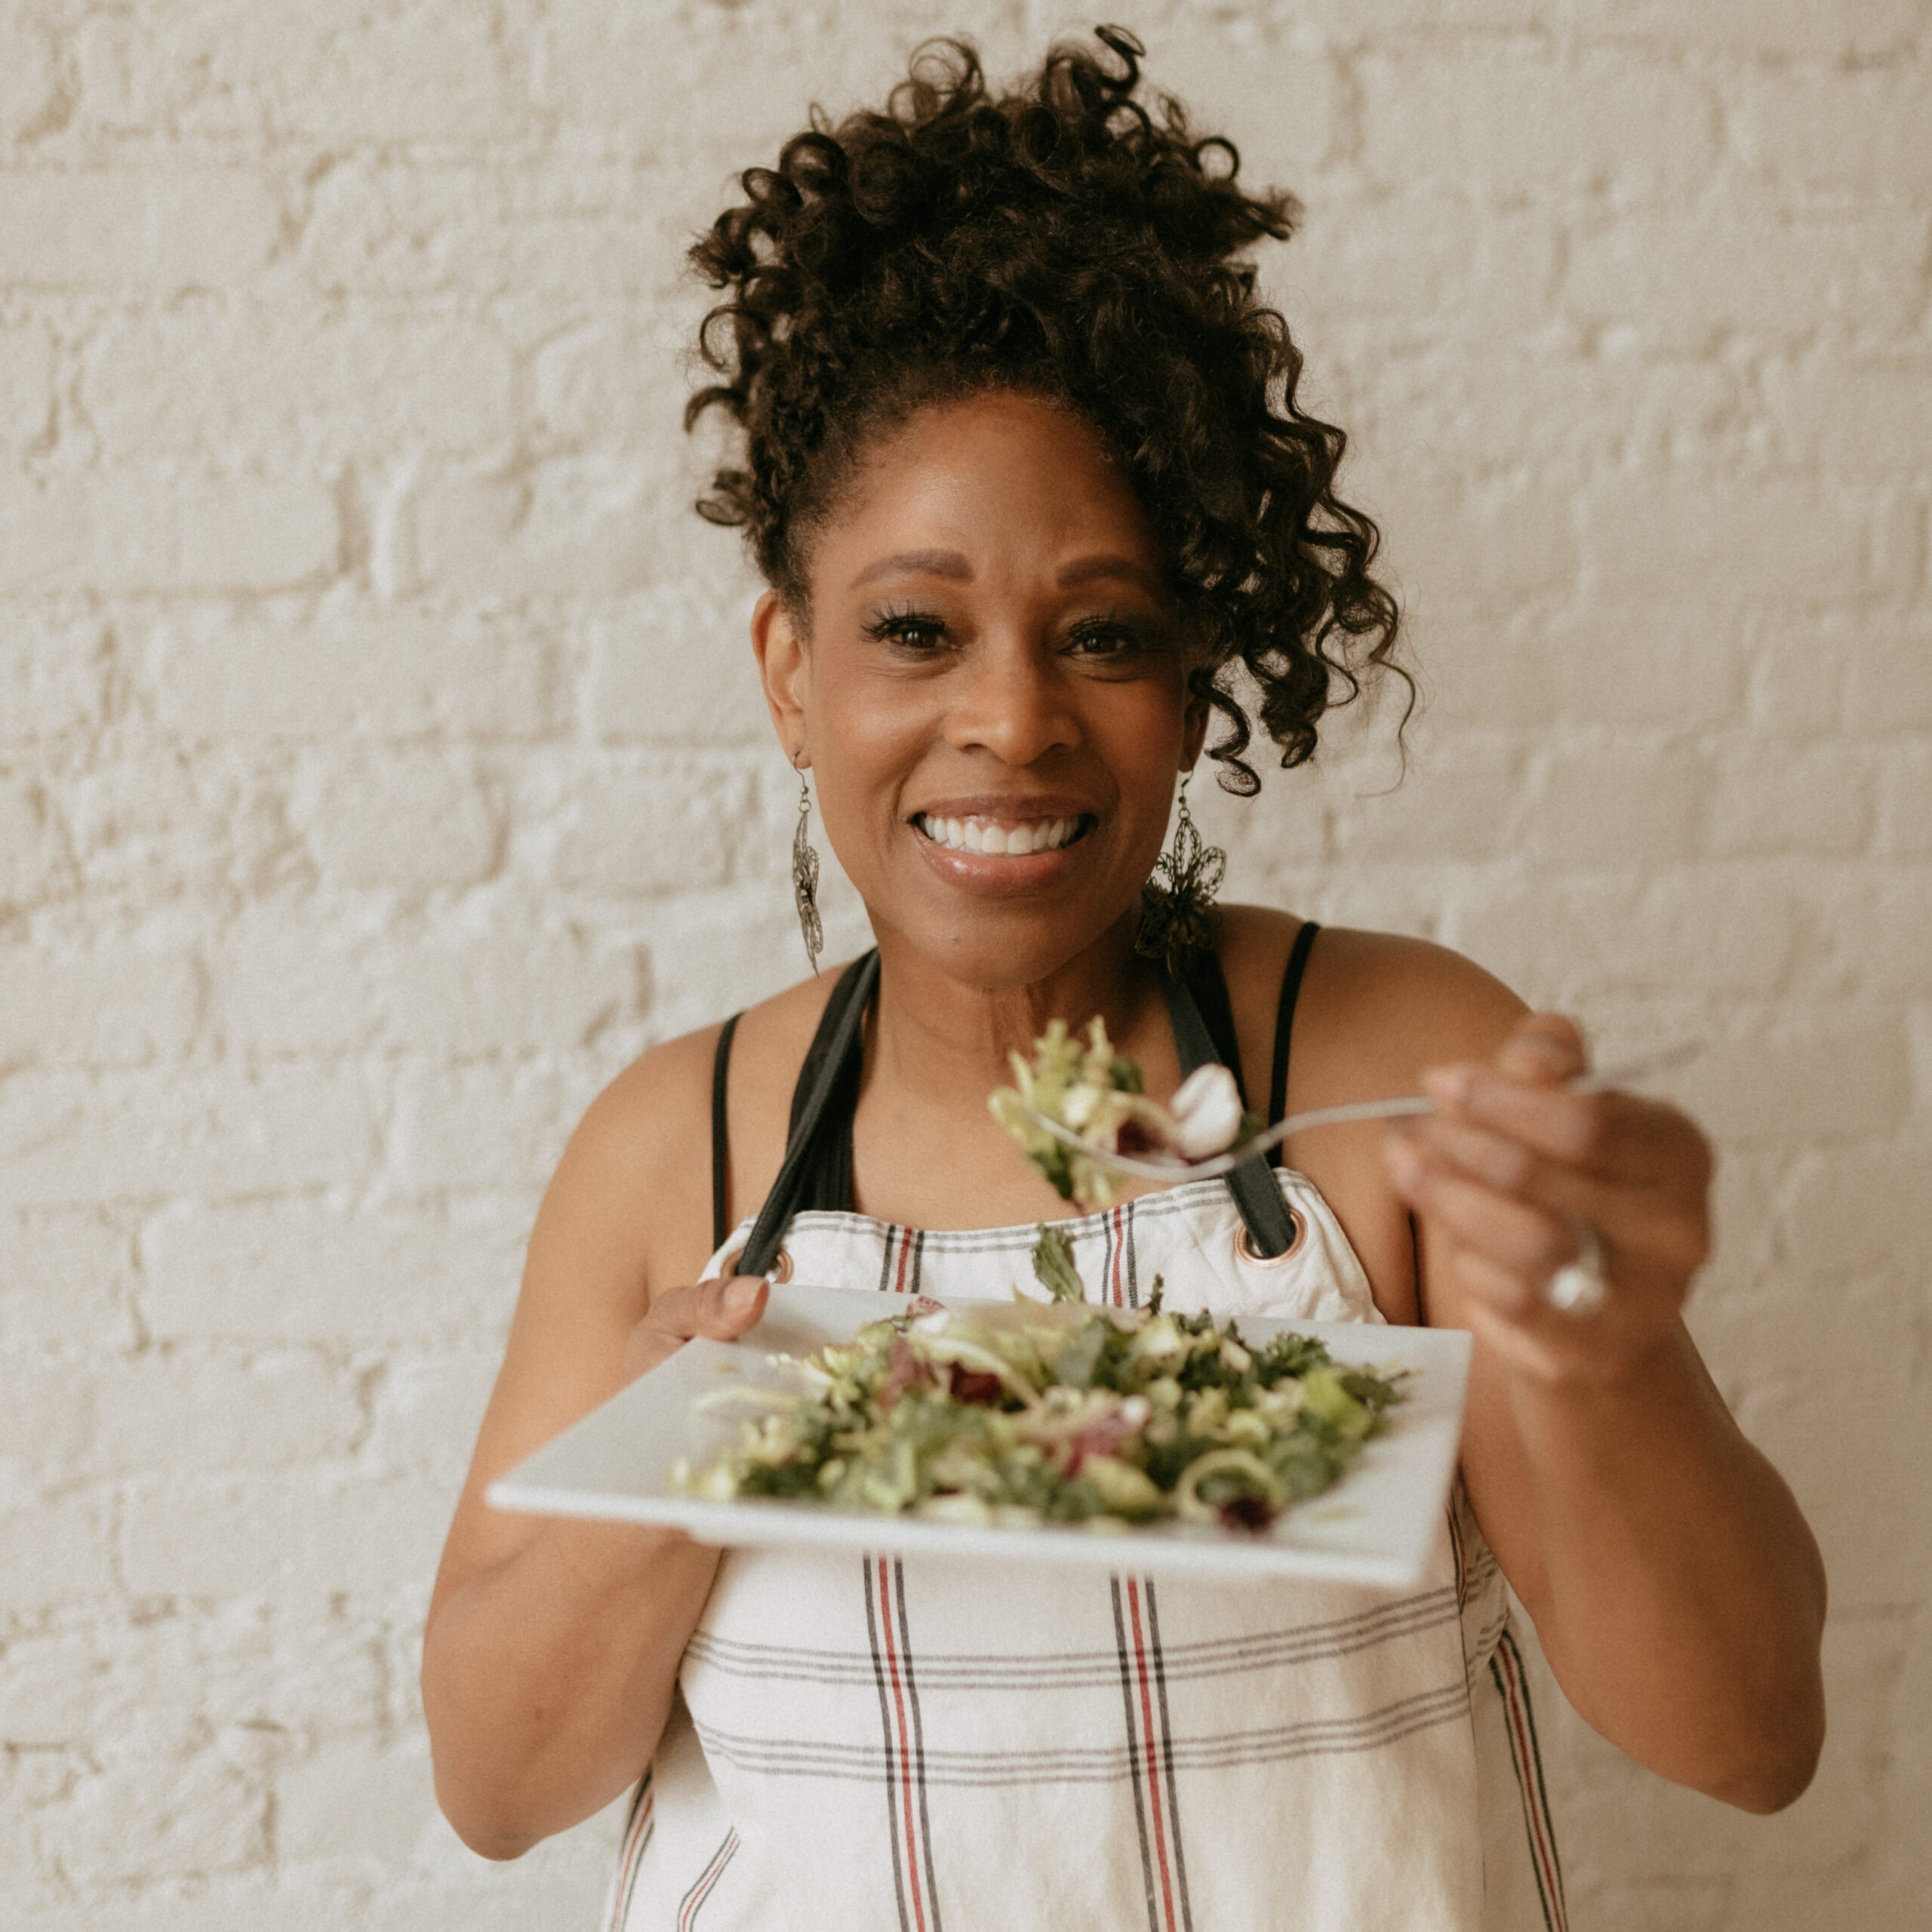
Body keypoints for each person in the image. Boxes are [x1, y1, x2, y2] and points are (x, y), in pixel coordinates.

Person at [422, 29, 1826, 1931]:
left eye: (1101, 632)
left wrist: (1585, 1345)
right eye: (913, 628)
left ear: (1189, 682)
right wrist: (686, 1459)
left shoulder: (1402, 1069)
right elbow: (500, 1788)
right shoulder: (677, 1146)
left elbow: (1744, 1735)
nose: (1008, 718)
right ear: (789, 669)